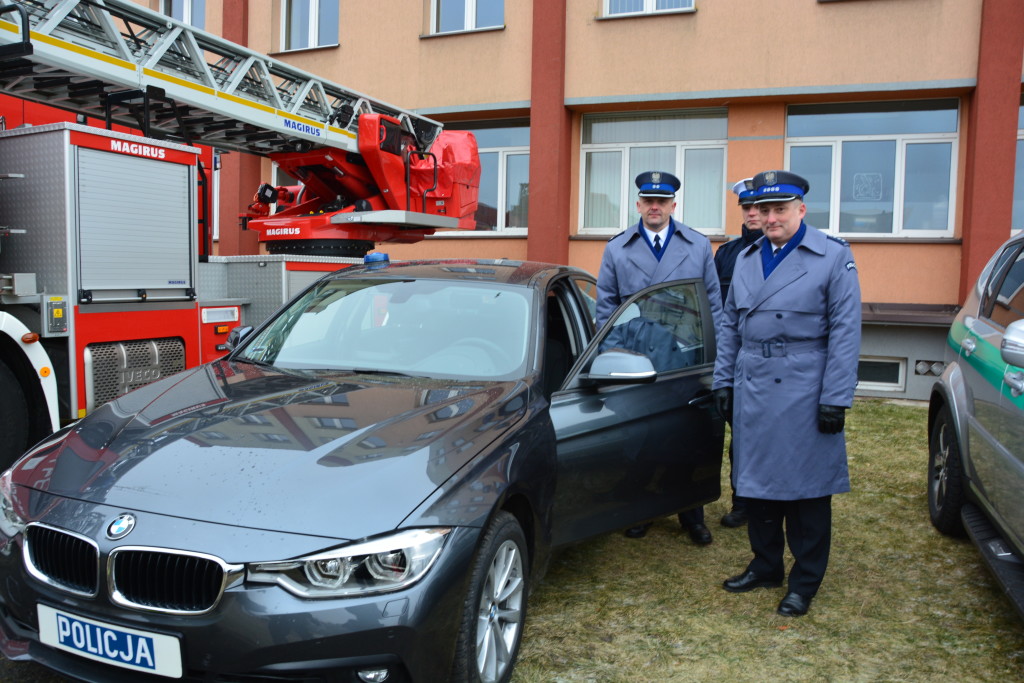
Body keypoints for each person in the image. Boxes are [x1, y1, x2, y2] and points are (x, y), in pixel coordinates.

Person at [712, 170, 861, 617]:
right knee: (755, 487)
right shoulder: (748, 256)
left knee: (806, 492)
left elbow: (846, 331)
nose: (770, 217)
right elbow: (730, 324)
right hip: (753, 381)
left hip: (804, 385)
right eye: (764, 209)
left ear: (801, 209)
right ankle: (766, 564)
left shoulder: (832, 257)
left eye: (780, 209)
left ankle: (805, 581)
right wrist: (723, 380)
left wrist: (835, 396)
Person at [596, 170, 724, 545]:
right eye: (648, 200)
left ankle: (692, 513)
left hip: (684, 356)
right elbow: (606, 308)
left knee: (688, 435)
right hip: (637, 357)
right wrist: (615, 352)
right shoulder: (618, 248)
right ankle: (644, 508)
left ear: (673, 205)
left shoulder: (698, 245)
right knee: (641, 433)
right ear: (638, 205)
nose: (655, 207)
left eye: (662, 201)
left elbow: (712, 303)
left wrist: (709, 355)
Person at [712, 178, 764, 529]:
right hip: (737, 360)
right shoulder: (728, 254)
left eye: (759, 207)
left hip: (774, 360)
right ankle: (743, 500)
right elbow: (718, 312)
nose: (753, 213)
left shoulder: (786, 251)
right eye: (747, 207)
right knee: (741, 436)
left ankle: (773, 500)